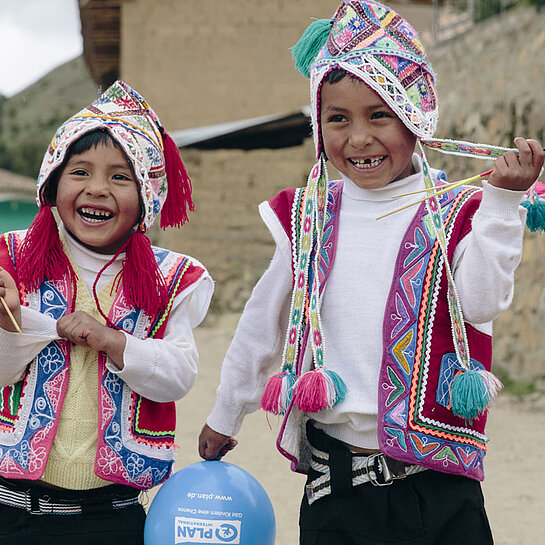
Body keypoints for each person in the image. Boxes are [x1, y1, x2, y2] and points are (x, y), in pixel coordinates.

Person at [198, 2, 543, 544]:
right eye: (338, 119)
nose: (358, 138)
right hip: (337, 490)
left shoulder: (459, 210)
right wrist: (225, 413)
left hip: (440, 491)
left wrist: (500, 206)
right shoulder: (308, 217)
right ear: (319, 125)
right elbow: (261, 324)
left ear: (415, 114)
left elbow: (480, 306)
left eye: (379, 115)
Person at [0, 80, 213, 545]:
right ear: (52, 183)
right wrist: (10, 323)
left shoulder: (168, 278)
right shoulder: (13, 261)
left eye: (120, 177)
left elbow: (178, 375)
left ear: (148, 197)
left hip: (110, 517)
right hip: (9, 510)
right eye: (79, 172)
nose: (97, 189)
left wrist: (114, 342)